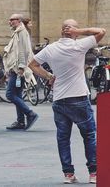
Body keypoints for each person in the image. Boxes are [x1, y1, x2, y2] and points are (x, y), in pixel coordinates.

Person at [29, 19, 106, 184]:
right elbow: (101, 31)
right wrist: (78, 32)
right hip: (78, 98)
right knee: (89, 135)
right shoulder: (79, 46)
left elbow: (33, 64)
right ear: (73, 32)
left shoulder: (50, 49)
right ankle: (94, 173)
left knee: (63, 138)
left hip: (59, 99)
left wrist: (49, 76)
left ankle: (68, 174)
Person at [3, 13, 38, 131]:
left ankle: (30, 114)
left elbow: (23, 50)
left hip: (18, 69)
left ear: (19, 20)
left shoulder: (21, 32)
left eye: (12, 20)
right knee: (17, 94)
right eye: (9, 20)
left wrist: (22, 67)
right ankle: (20, 121)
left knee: (10, 94)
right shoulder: (18, 32)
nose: (10, 22)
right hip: (15, 68)